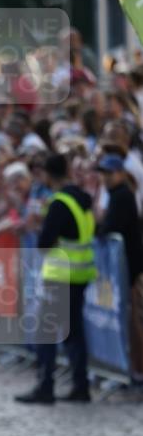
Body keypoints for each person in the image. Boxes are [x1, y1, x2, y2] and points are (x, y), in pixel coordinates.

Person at [15, 153, 96, 405]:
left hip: (60, 274)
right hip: (81, 273)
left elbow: (44, 243)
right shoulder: (83, 199)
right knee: (75, 333)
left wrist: (41, 225)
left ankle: (45, 386)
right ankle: (80, 386)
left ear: (48, 176)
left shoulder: (59, 203)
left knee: (45, 331)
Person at [95, 154, 143, 384]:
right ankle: (127, 367)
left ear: (121, 174)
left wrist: (100, 226)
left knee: (131, 318)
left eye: (109, 173)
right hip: (124, 268)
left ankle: (134, 368)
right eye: (103, 173)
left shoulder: (123, 195)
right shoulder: (117, 194)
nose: (105, 178)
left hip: (130, 269)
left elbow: (110, 226)